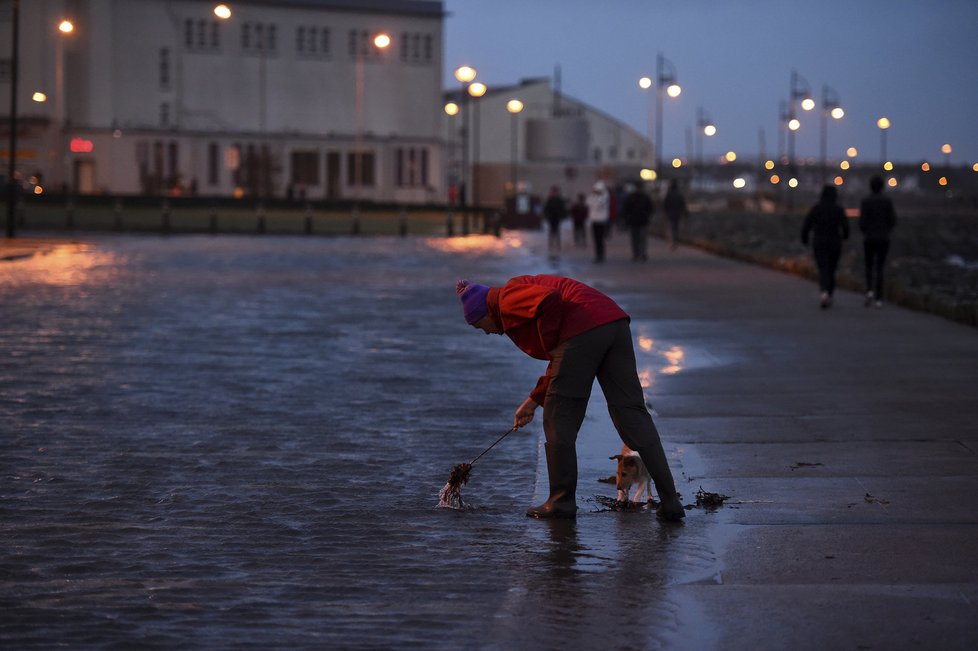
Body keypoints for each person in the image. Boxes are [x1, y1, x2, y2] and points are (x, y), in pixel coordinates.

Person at [455, 276, 686, 522]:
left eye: (480, 326)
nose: (487, 332)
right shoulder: (514, 298)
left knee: (558, 417)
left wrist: (550, 343)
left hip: (585, 329)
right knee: (631, 414)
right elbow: (559, 359)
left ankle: (561, 501)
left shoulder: (505, 298)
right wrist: (532, 401)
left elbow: (550, 303)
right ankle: (670, 501)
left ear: (485, 312)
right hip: (614, 323)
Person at [801, 185, 850, 309]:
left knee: (823, 268)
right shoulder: (838, 209)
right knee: (832, 269)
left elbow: (806, 226)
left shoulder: (816, 209)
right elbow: (846, 227)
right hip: (835, 242)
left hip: (820, 242)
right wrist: (845, 237)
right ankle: (830, 293)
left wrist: (805, 239)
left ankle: (824, 292)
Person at [859, 176, 897, 308]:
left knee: (869, 266)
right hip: (883, 238)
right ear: (882, 186)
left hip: (869, 238)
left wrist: (865, 231)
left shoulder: (866, 201)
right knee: (880, 267)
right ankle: (879, 298)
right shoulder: (887, 201)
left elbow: (862, 221)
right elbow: (892, 220)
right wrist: (886, 230)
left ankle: (869, 291)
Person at [621, 183, 654, 261]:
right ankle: (638, 254)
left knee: (639, 239)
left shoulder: (634, 197)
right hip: (637, 221)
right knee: (637, 239)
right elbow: (626, 209)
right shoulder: (643, 197)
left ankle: (640, 254)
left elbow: (650, 208)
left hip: (639, 221)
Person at [586, 181, 611, 263]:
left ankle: (601, 255)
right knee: (596, 240)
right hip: (594, 220)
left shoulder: (605, 196)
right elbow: (588, 202)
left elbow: (598, 204)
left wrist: (597, 196)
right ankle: (597, 255)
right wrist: (593, 195)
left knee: (600, 240)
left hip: (601, 221)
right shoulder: (593, 196)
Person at [663, 180, 688, 251]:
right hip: (678, 214)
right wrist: (685, 213)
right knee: (676, 228)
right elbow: (683, 205)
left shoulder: (669, 195)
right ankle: (675, 241)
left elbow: (665, 205)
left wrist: (665, 213)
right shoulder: (679, 195)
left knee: (671, 227)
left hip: (670, 214)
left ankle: (672, 241)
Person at [543, 186, 567, 256]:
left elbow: (563, 209)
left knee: (557, 231)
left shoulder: (559, 200)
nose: (554, 193)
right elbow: (546, 208)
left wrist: (562, 216)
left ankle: (557, 244)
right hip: (551, 217)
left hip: (557, 217)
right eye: (553, 192)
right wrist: (547, 216)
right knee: (551, 230)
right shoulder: (549, 200)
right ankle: (551, 244)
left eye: (555, 192)